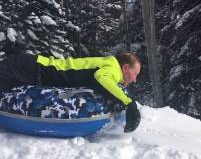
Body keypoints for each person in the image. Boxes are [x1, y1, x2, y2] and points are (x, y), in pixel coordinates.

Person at [0, 52, 141, 132]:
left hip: (32, 70)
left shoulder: (109, 65)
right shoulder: (113, 67)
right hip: (31, 68)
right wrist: (128, 102)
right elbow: (102, 79)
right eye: (136, 73)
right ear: (125, 67)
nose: (135, 79)